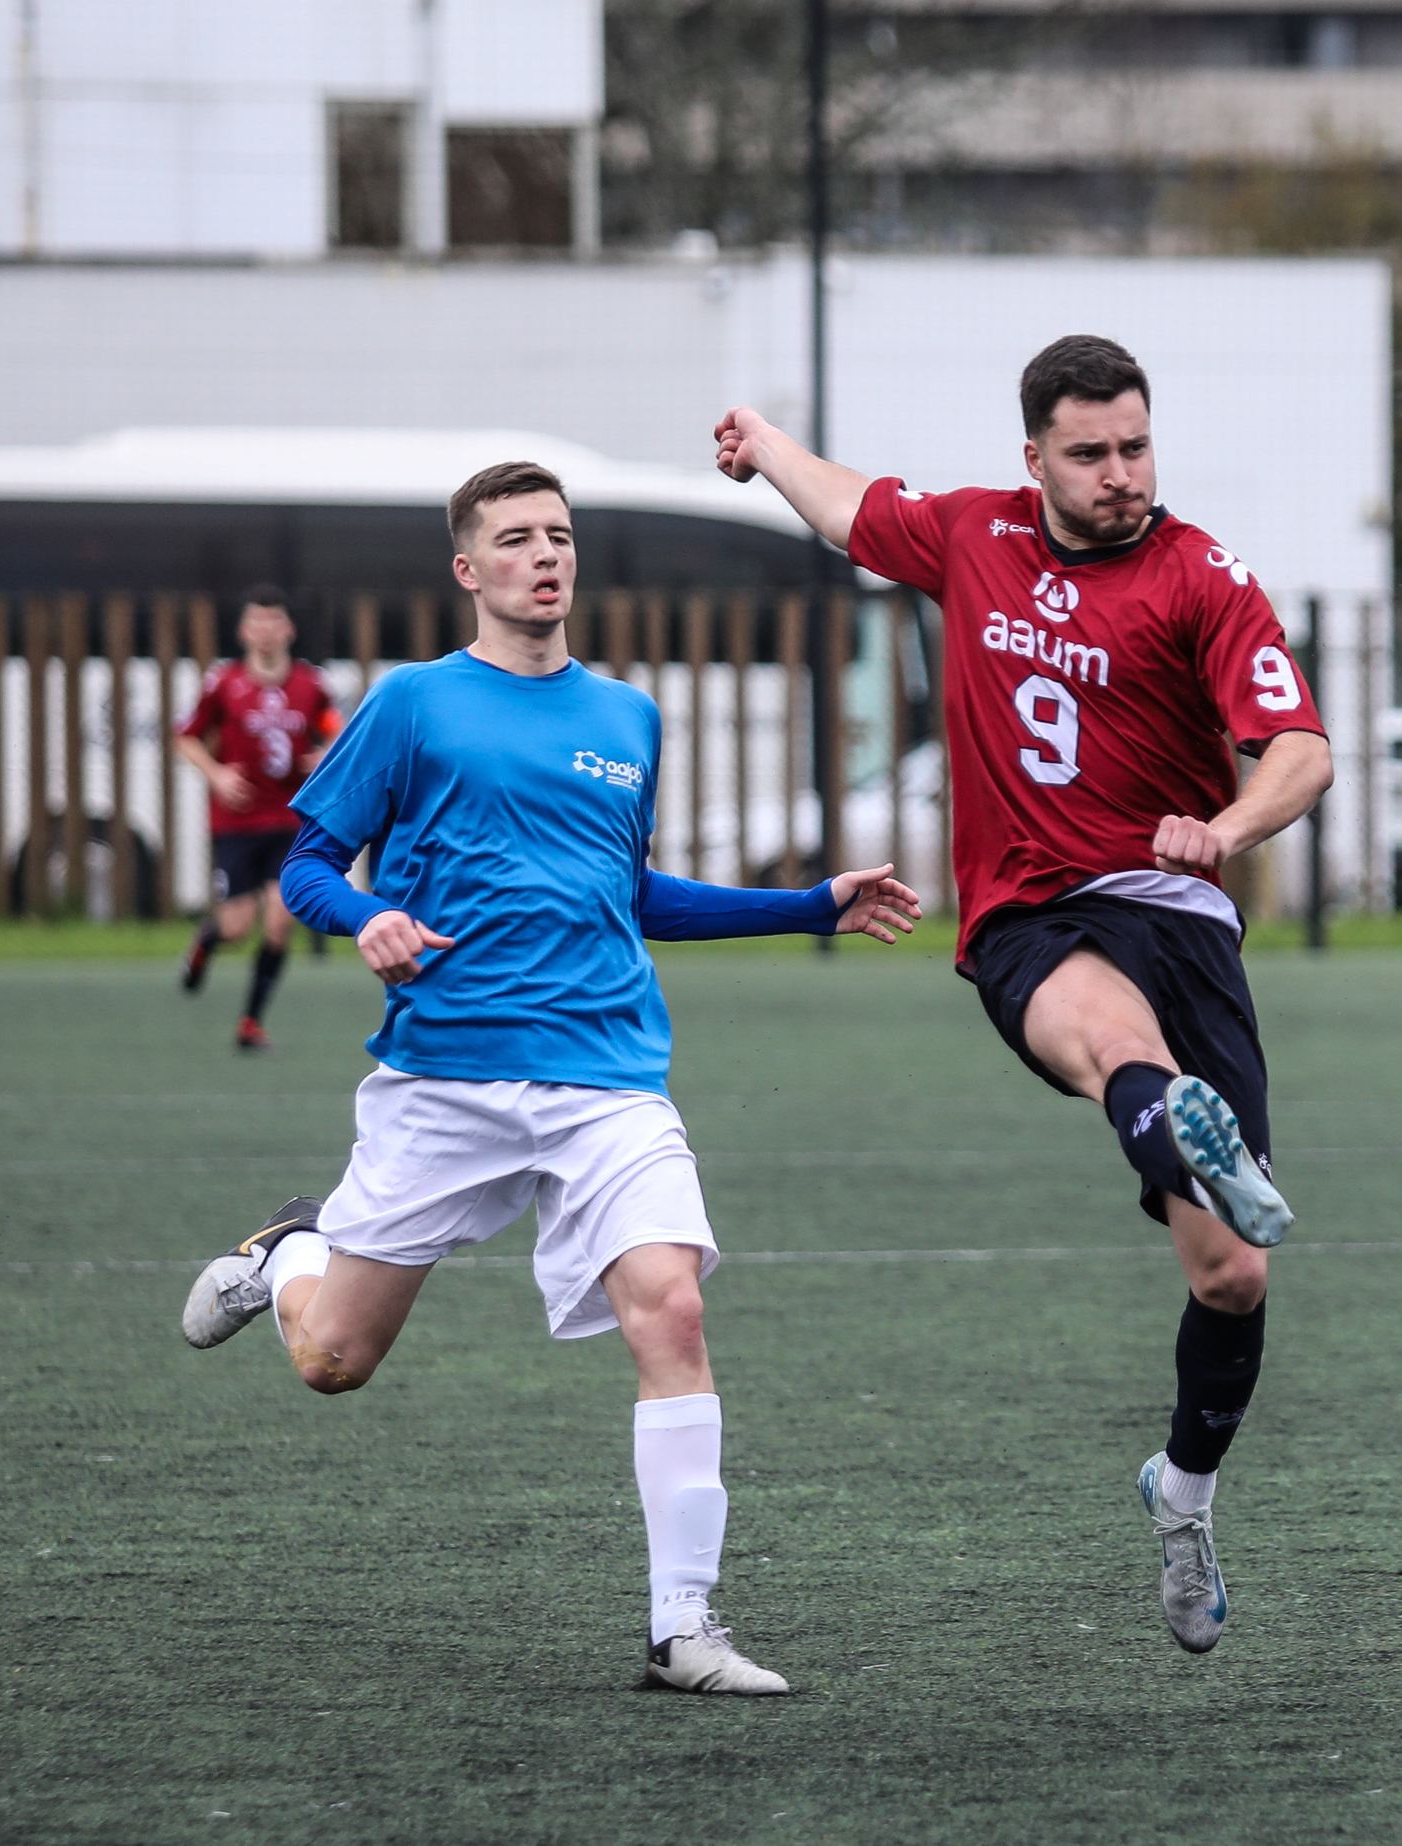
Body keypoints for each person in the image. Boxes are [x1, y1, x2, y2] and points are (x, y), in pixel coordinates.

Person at [178, 461, 921, 1696]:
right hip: (444, 1078)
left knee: (672, 1304)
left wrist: (810, 905)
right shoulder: (415, 704)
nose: (545, 554)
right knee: (333, 1363)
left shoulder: (628, 717)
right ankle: (288, 1256)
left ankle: (683, 1628)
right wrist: (362, 920)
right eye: (516, 538)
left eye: (560, 536)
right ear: (469, 570)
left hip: (607, 1074)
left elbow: (628, 895)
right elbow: (309, 862)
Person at [713, 334, 1334, 1654]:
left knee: (1231, 1276)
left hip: (1183, 918)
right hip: (1031, 914)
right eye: (1091, 453)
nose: (1121, 474)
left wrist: (1227, 824)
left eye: (1136, 447)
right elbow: (850, 507)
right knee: (1109, 1039)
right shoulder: (973, 535)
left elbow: (1302, 750)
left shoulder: (1202, 577)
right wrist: (764, 447)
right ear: (1034, 458)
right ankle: (1172, 1112)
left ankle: (1183, 1491)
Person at [174, 586, 339, 1051]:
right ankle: (207, 941)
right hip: (236, 822)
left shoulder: (310, 684)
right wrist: (217, 774)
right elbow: (186, 737)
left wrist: (325, 755)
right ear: (245, 631)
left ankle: (250, 1021)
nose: (266, 631)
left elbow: (334, 730)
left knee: (281, 921)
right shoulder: (224, 684)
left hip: (289, 821)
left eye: (274, 621)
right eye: (257, 622)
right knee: (236, 926)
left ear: (288, 629)